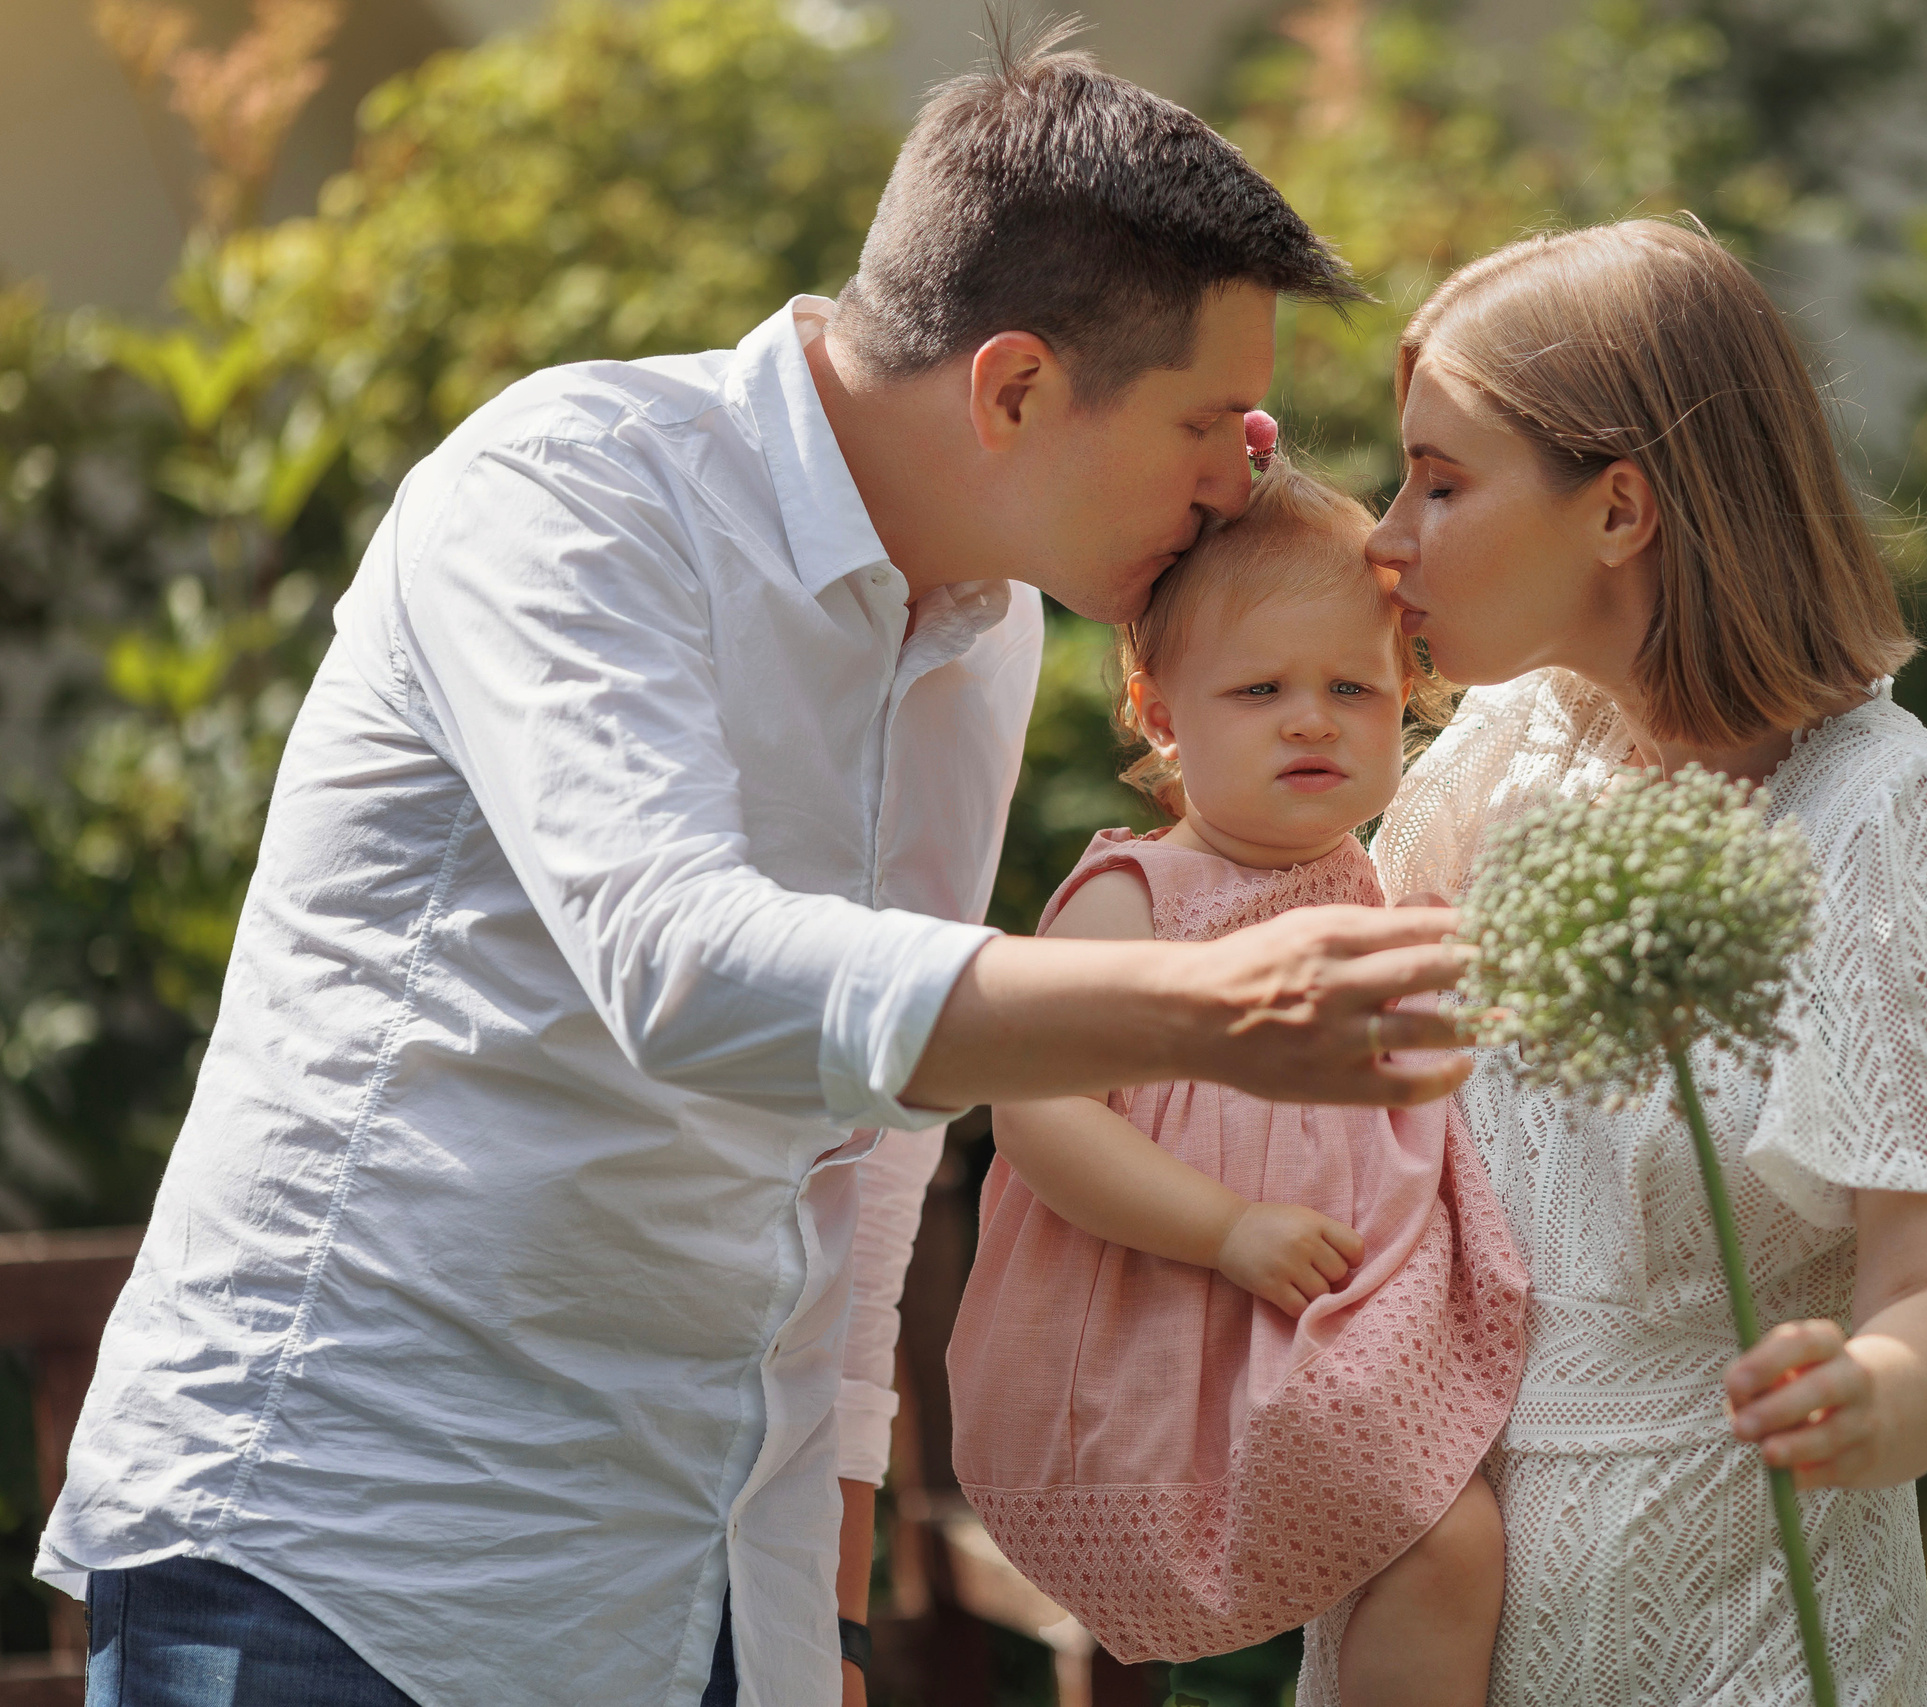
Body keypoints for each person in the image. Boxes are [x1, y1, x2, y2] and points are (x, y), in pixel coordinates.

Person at [38, 36, 1476, 1707]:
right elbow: (688, 967)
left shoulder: (989, 629)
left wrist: (828, 1603)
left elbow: (864, 1151)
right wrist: (1206, 1004)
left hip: (712, 1594)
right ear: (1012, 390)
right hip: (347, 1557)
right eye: (1202, 425)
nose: (1247, 473)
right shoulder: (573, 489)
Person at [1306, 218, 1927, 1704]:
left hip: (1738, 1618)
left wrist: (1873, 1392)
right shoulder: (1508, 760)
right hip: (1426, 1607)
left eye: (1441, 482)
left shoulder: (1900, 825)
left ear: (1621, 508)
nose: (1386, 536)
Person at [945, 461, 1528, 1706]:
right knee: (1434, 1543)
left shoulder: (1376, 891)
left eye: (1352, 688)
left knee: (1452, 1544)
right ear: (1160, 712)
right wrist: (1225, 1228)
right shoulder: (1134, 899)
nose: (1310, 719)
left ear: (1405, 700)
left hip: (1333, 1315)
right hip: (1179, 1330)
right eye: (1260, 688)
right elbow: (1040, 1115)